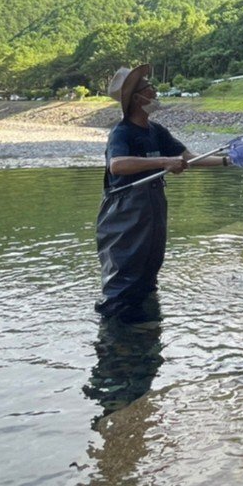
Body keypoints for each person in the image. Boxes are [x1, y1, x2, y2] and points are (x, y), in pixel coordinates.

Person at [96, 64, 231, 319]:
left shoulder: (156, 131)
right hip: (124, 212)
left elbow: (188, 158)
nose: (155, 91)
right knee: (124, 272)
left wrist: (229, 160)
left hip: (152, 207)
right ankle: (116, 337)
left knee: (149, 267)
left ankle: (144, 327)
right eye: (149, 87)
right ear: (137, 98)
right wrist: (163, 162)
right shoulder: (122, 132)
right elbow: (117, 165)